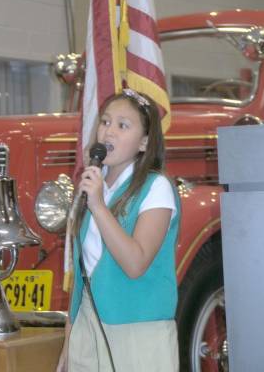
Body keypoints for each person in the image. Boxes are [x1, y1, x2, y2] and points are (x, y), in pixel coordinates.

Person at [56, 88, 180, 372]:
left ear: (144, 142)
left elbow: (136, 263)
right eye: (105, 122)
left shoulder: (155, 187)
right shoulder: (95, 187)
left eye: (123, 126)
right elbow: (82, 271)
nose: (108, 132)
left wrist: (98, 206)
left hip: (137, 327)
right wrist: (69, 341)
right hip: (88, 324)